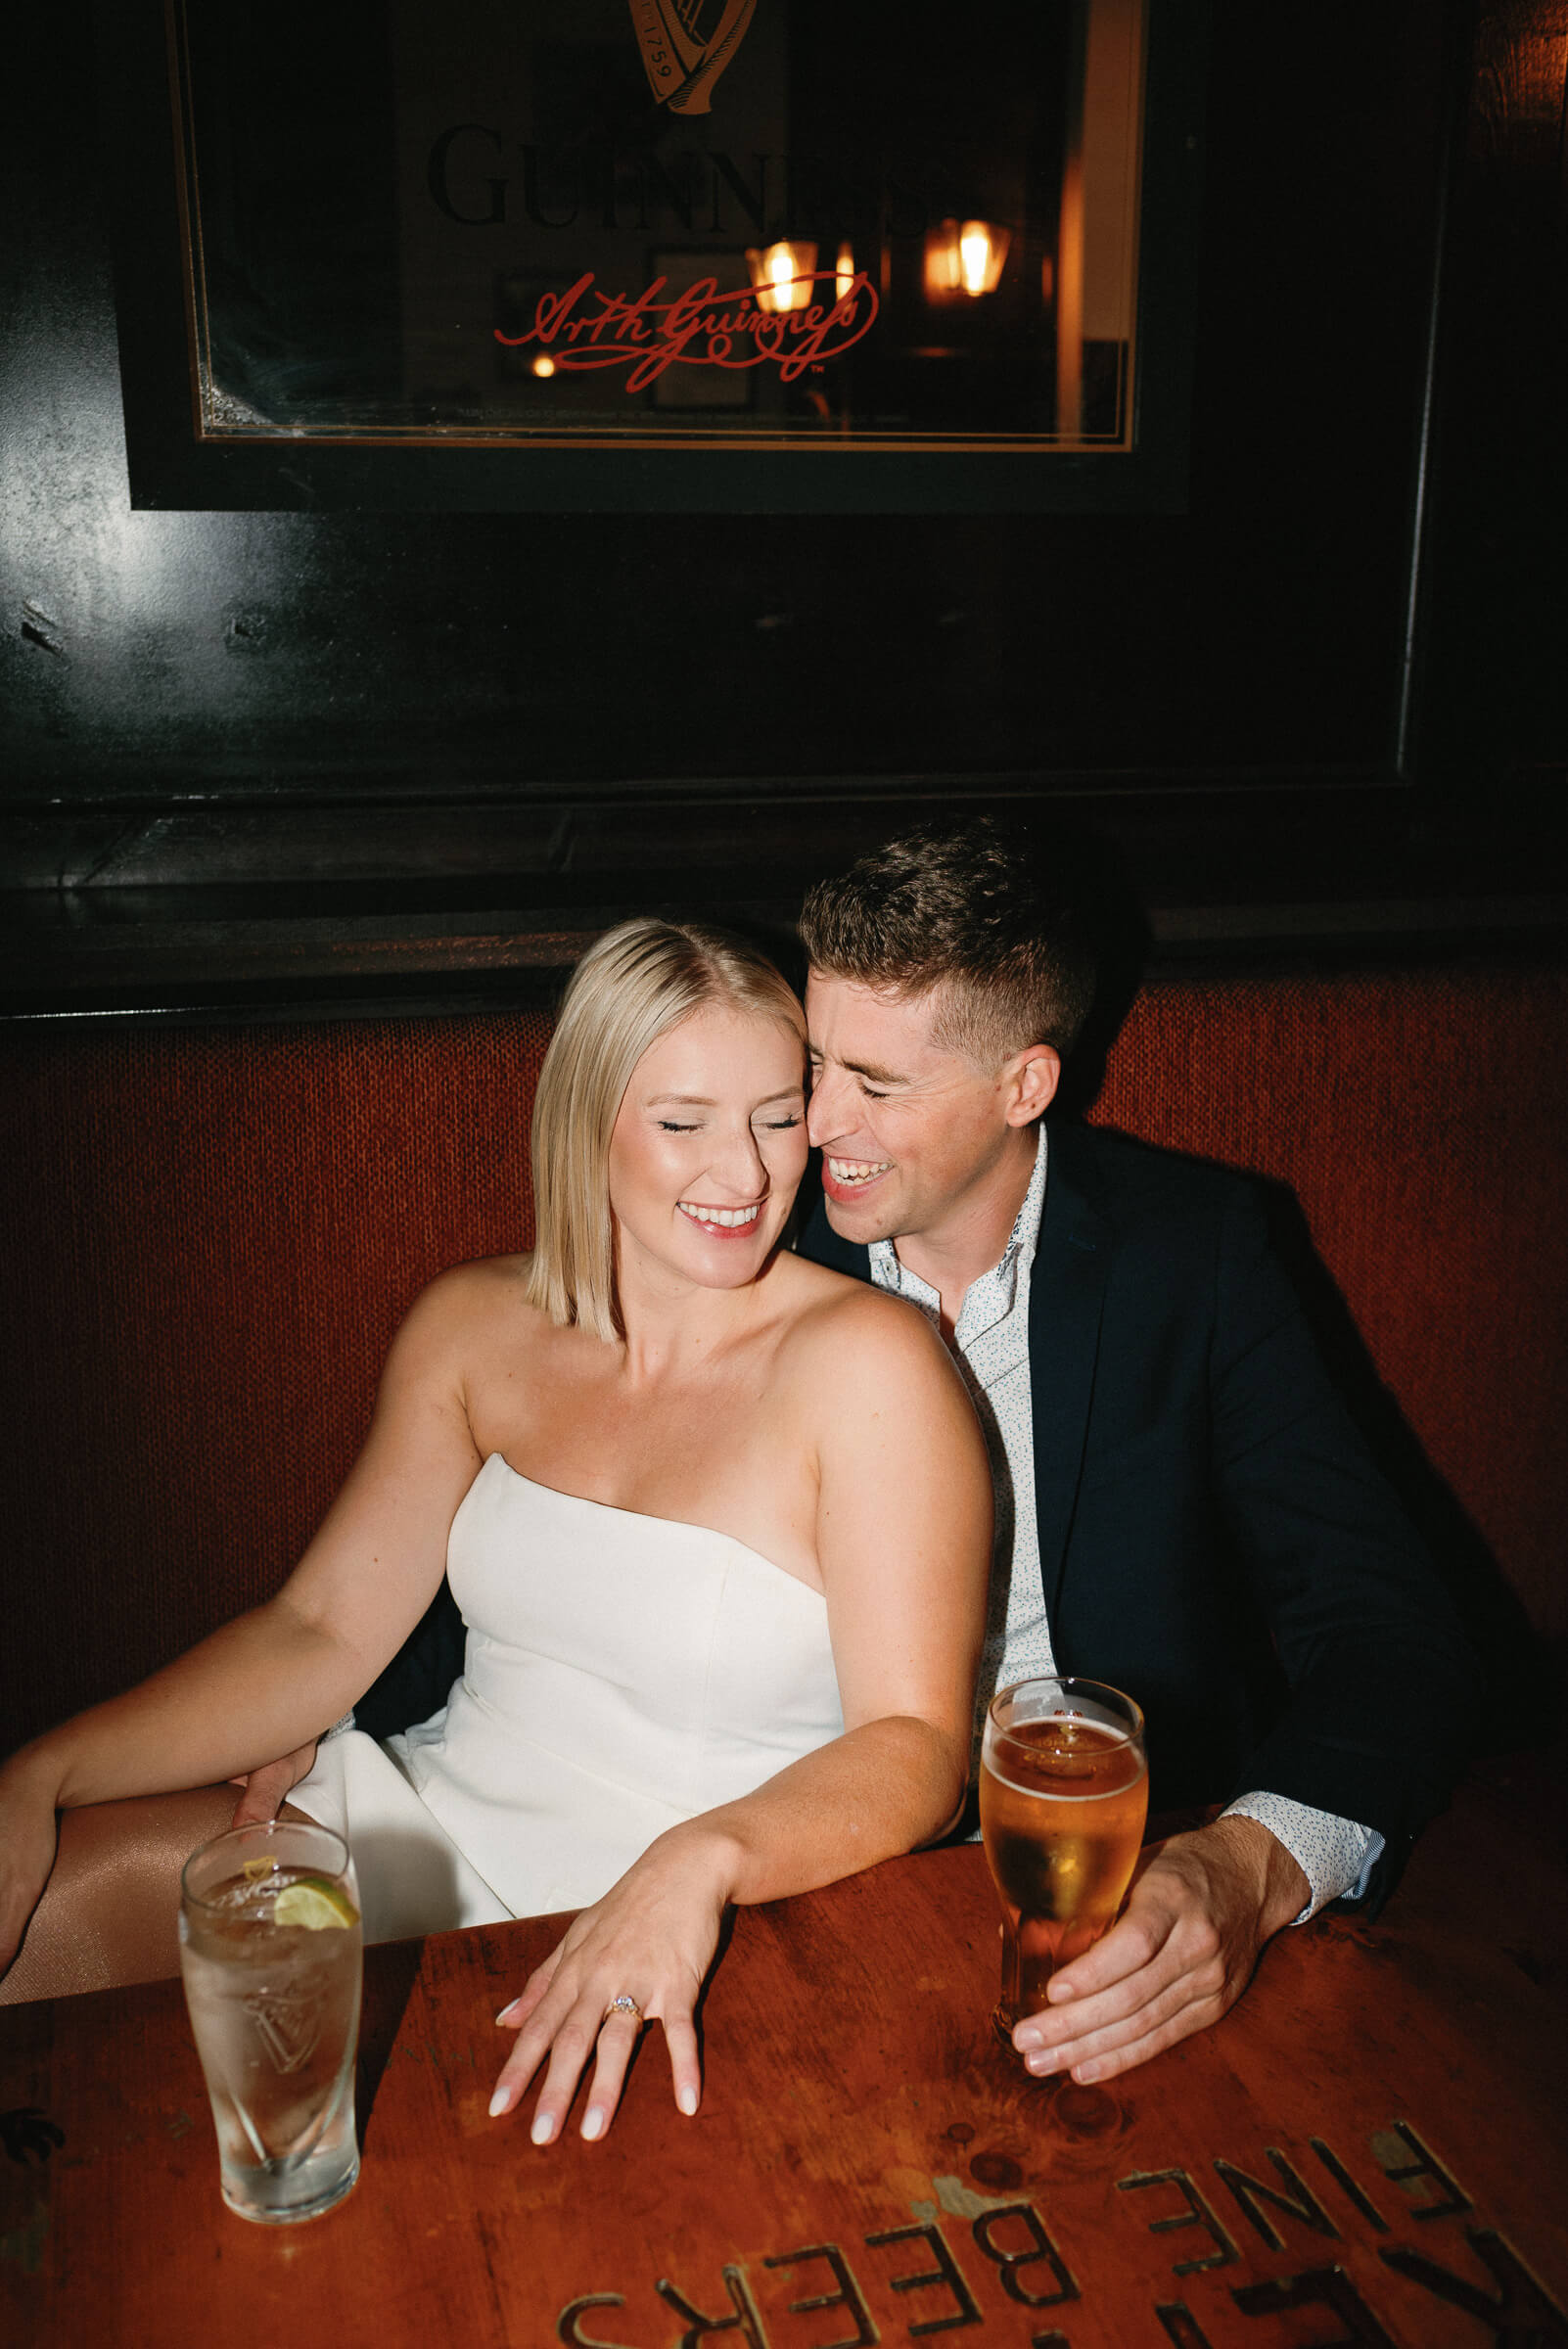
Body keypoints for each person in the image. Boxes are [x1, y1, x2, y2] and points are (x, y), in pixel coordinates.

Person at [0, 918, 991, 2143]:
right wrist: (42, 1775)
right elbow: (319, 1630)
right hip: (416, 1832)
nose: (743, 1173)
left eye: (778, 1118)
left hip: (703, 1908)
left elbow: (917, 1749)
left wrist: (699, 1859)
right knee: (42, 1909)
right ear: (585, 1124)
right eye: (683, 1123)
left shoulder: (872, 1365)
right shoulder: (471, 1326)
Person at [793, 817, 1471, 2088]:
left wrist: (1249, 1864)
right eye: (815, 1059)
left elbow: (1389, 1629)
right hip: (809, 1875)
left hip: (1121, 1893)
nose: (815, 1120)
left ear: (1024, 1086)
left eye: (875, 1086)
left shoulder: (1197, 1254)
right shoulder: (752, 1234)